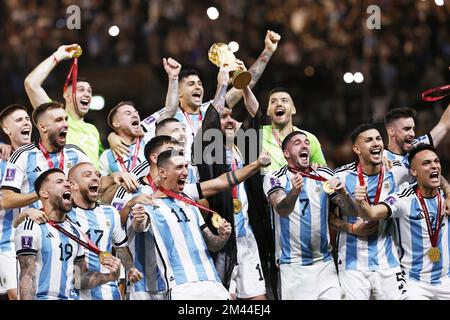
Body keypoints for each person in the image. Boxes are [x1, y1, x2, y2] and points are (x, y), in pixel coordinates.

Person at [112, 135, 271, 299]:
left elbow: (221, 183)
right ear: (155, 159)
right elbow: (116, 229)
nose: (178, 157)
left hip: (186, 281)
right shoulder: (132, 188)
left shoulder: (185, 193)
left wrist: (256, 164)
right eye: (170, 152)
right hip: (145, 283)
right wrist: (128, 203)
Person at [110, 31, 282, 161]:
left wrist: (267, 51)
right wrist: (113, 136)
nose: (198, 87)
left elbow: (245, 84)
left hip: (214, 175)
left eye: (199, 84)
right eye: (191, 84)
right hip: (183, 180)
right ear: (179, 93)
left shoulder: (212, 109)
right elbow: (136, 129)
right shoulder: (170, 116)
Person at [354, 144, 450, 299]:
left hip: (446, 280)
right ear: (413, 172)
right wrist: (361, 201)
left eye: (436, 161)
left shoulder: (446, 197)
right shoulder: (403, 198)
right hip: (415, 283)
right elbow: (371, 213)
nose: (434, 166)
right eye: (426, 163)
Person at [263, 131, 348, 299]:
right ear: (286, 153)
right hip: (294, 267)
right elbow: (282, 209)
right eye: (297, 143)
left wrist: (344, 194)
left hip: (325, 264)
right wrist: (294, 192)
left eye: (307, 142)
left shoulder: (324, 174)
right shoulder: (275, 177)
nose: (304, 146)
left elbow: (350, 210)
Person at [137, 150, 232, 300]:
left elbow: (212, 244)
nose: (186, 172)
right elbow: (139, 226)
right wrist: (137, 219)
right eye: (179, 167)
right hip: (181, 287)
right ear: (163, 172)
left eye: (186, 167)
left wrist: (223, 236)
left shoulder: (190, 204)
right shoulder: (148, 205)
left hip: (212, 281)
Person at [332, 124, 411, 300]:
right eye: (368, 140)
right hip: (353, 264)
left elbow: (425, 163)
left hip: (389, 263)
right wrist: (351, 228)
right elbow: (329, 217)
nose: (376, 143)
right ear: (356, 149)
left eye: (378, 139)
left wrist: (448, 191)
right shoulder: (340, 176)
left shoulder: (396, 171)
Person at [14, 168, 121, 300]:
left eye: (67, 181)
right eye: (59, 182)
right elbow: (27, 275)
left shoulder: (75, 231)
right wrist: (25, 213)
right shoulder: (31, 227)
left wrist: (110, 276)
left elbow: (79, 280)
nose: (67, 184)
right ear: (44, 193)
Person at [67, 162, 143, 300]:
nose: (96, 178)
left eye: (97, 174)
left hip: (109, 292)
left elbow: (121, 248)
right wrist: (28, 213)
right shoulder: (64, 214)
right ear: (73, 185)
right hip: (74, 294)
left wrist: (130, 268)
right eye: (87, 175)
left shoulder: (110, 212)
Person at [0, 102, 91, 213]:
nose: (66, 124)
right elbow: (6, 200)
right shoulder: (21, 156)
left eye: (66, 119)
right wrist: (44, 192)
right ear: (42, 127)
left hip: (74, 226)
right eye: (58, 120)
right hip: (37, 226)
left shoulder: (76, 153)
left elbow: (97, 182)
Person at [24, 44, 103, 168]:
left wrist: (112, 137)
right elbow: (31, 83)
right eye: (81, 89)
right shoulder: (55, 116)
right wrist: (58, 56)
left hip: (94, 184)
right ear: (66, 95)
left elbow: (104, 162)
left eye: (89, 91)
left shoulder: (93, 130)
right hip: (66, 183)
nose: (87, 94)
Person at [0, 105, 32, 300]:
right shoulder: (2, 162)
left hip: (40, 238)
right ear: (7, 130)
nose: (26, 122)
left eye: (27, 119)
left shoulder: (42, 157)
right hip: (8, 242)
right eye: (19, 120)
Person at [262, 87, 326, 174]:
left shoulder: (310, 139)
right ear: (268, 111)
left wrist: (315, 170)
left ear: (293, 109)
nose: (278, 104)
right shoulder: (256, 135)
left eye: (284, 100)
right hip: (268, 186)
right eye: (273, 101)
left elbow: (324, 176)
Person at [383, 105, 450, 168]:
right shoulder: (380, 159)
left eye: (413, 129)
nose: (413, 134)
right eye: (407, 129)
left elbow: (444, 124)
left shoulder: (418, 146)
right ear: (391, 131)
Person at [99, 101, 148, 176]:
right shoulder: (106, 156)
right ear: (116, 123)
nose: (135, 115)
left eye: (136, 112)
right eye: (128, 113)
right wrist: (114, 177)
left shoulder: (150, 139)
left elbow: (169, 111)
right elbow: (102, 184)